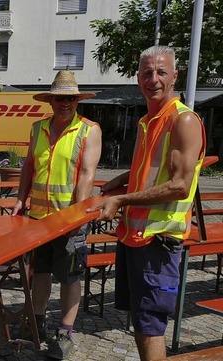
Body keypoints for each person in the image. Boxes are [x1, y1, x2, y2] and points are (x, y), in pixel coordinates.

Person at [88, 45, 206, 361]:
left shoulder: (183, 121)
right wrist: (122, 179)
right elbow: (153, 167)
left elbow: (180, 186)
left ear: (174, 76)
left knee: (151, 326)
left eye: (161, 72)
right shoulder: (148, 121)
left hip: (159, 241)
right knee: (141, 324)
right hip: (135, 237)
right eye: (147, 72)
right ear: (138, 78)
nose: (153, 79)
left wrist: (123, 199)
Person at [11, 70, 102, 359]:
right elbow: (28, 165)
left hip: (69, 219)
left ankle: (65, 332)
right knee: (41, 273)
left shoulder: (89, 130)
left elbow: (87, 173)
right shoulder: (37, 128)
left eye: (71, 99)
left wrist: (79, 214)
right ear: (51, 100)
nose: (66, 104)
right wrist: (20, 198)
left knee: (70, 276)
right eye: (60, 98)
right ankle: (36, 324)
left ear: (77, 101)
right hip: (39, 217)